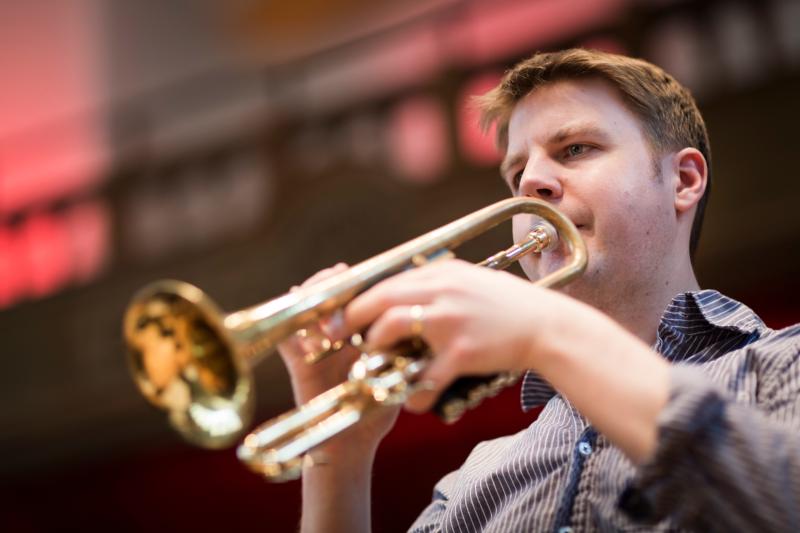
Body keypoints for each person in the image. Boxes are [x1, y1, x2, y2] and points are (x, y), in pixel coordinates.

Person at [278, 49, 800, 532]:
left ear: (683, 180)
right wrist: (338, 456)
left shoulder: (784, 365)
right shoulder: (468, 484)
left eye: (575, 149)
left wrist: (546, 331)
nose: (531, 184)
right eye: (516, 172)